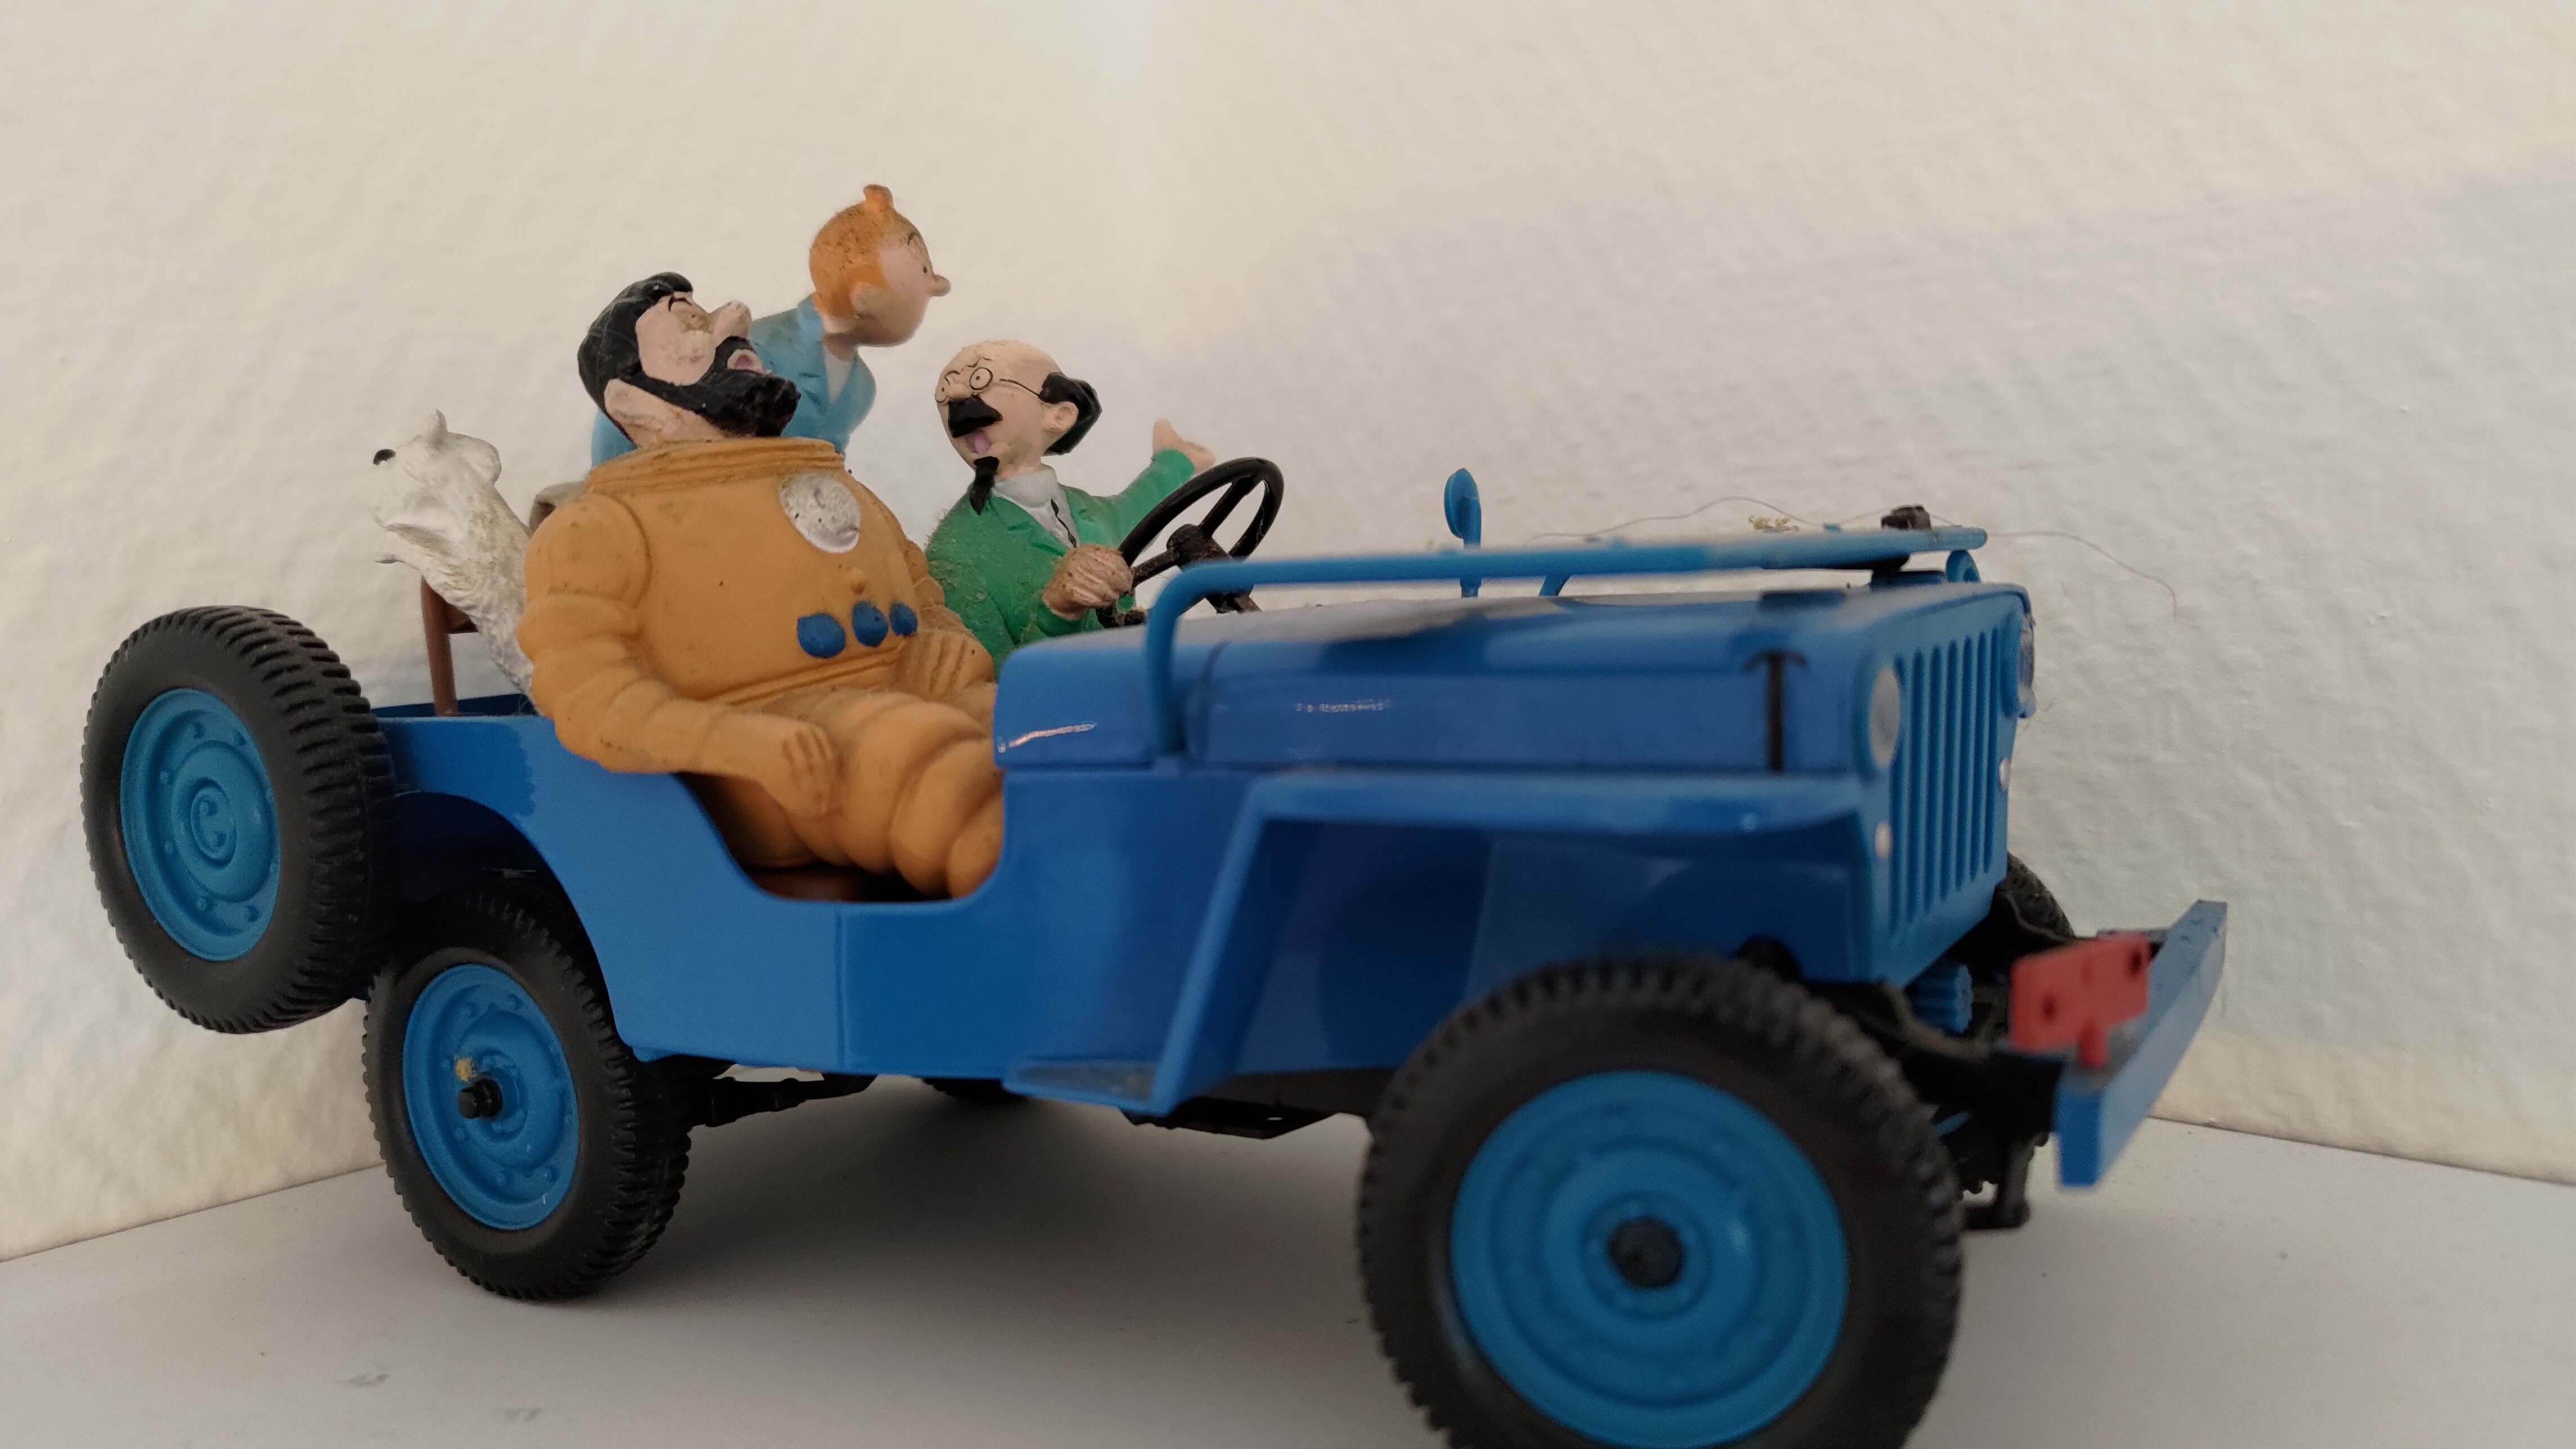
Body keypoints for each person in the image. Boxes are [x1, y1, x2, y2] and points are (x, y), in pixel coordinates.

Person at [523, 273, 1001, 897]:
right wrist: (736, 741)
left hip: (904, 703)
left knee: (1039, 728)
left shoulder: (841, 485)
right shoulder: (600, 529)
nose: (736, 319)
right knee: (930, 771)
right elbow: (588, 698)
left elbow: (918, 589)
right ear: (633, 404)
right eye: (692, 325)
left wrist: (941, 641)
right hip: (772, 773)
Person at [589, 185, 949, 466]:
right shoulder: (753, 349)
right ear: (865, 298)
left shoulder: (860, 390)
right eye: (924, 271)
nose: (937, 285)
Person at [923, 340, 1214, 666]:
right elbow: (989, 684)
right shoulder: (954, 556)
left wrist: (1175, 461)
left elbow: (1137, 511)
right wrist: (1056, 613)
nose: (957, 398)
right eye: (944, 394)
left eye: (980, 380)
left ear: (1060, 416)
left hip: (1139, 667)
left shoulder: (1081, 509)